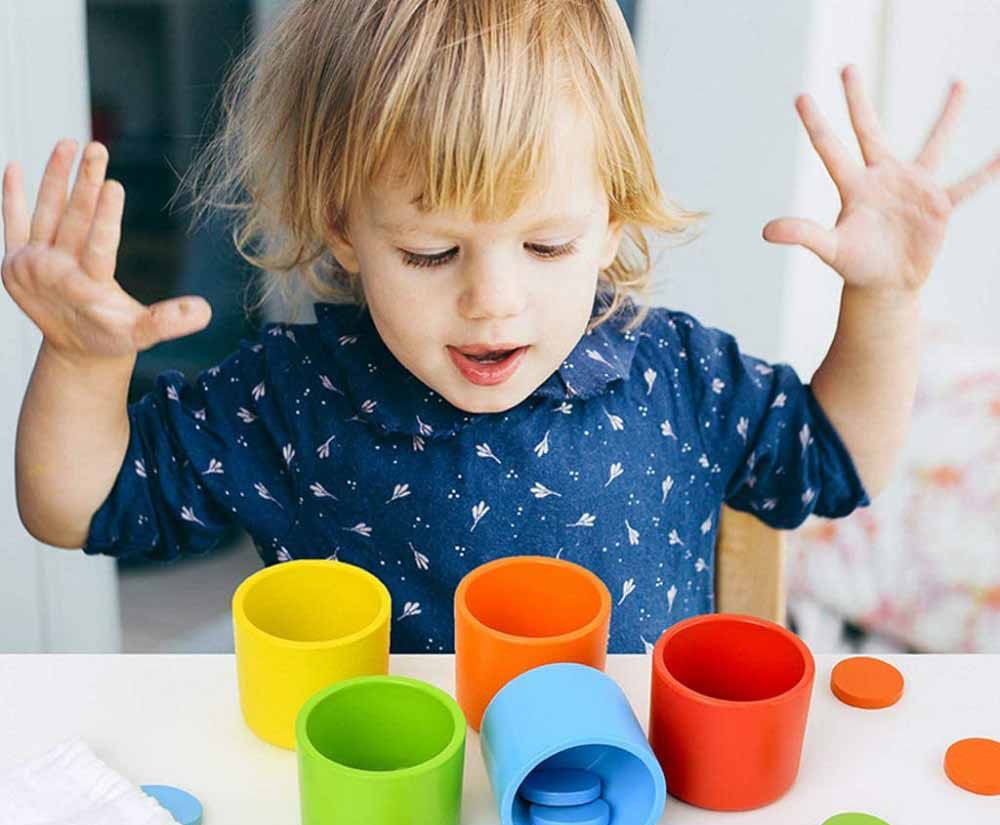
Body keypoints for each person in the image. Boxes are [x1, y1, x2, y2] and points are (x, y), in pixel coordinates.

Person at [4, 1, 995, 653]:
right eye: (432, 254)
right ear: (342, 225)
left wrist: (885, 301)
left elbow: (837, 461)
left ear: (614, 214)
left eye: (550, 246)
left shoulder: (674, 373)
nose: (492, 300)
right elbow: (78, 507)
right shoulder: (291, 394)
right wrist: (82, 365)